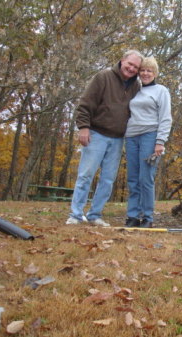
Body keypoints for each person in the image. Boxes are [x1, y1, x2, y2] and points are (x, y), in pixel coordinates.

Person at [66, 50, 143, 227]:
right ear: (122, 60)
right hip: (96, 134)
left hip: (117, 139)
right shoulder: (103, 77)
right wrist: (84, 127)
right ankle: (76, 215)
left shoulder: (136, 87)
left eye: (135, 67)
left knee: (108, 180)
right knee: (86, 175)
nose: (131, 69)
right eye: (129, 64)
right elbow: (85, 104)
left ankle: (94, 215)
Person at [124, 56, 172, 228]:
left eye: (149, 71)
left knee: (146, 178)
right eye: (142, 70)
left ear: (155, 73)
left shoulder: (161, 91)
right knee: (133, 178)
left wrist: (160, 141)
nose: (145, 73)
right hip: (131, 136)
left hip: (150, 136)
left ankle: (147, 217)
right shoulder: (134, 90)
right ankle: (133, 216)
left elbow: (166, 118)